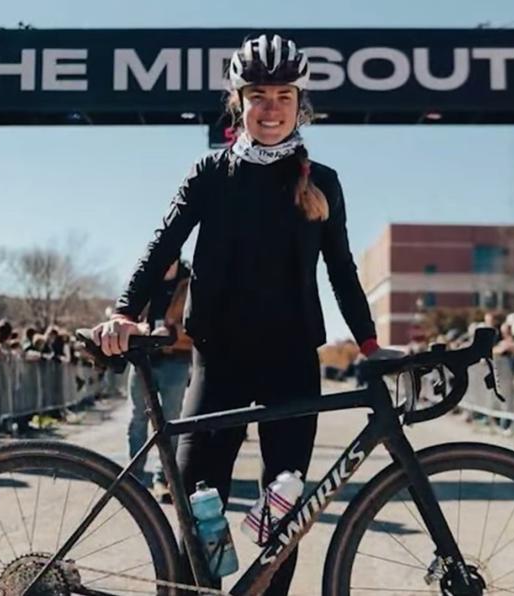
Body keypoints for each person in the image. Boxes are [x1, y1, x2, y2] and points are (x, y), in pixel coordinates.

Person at [92, 33, 381, 594]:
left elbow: (342, 270)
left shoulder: (322, 182)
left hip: (293, 361)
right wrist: (125, 311)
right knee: (202, 507)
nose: (270, 109)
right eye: (258, 95)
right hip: (217, 359)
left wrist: (370, 346)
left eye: (283, 96)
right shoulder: (210, 173)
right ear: (238, 101)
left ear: (300, 105)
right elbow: (162, 243)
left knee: (285, 511)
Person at [127, 257, 193, 500]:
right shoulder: (145, 278)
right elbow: (127, 312)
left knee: (171, 420)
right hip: (143, 357)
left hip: (175, 359)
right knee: (137, 418)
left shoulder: (189, 282)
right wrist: (139, 328)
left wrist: (172, 331)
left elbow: (200, 322)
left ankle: (163, 479)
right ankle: (134, 477)